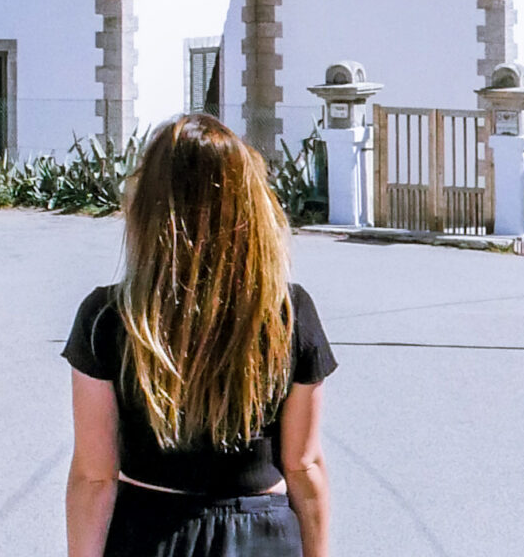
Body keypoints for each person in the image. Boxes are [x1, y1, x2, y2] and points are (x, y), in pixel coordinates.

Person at [63, 113, 334, 557]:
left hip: (149, 534)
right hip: (261, 537)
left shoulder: (107, 318)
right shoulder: (287, 312)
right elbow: (304, 465)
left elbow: (95, 478)